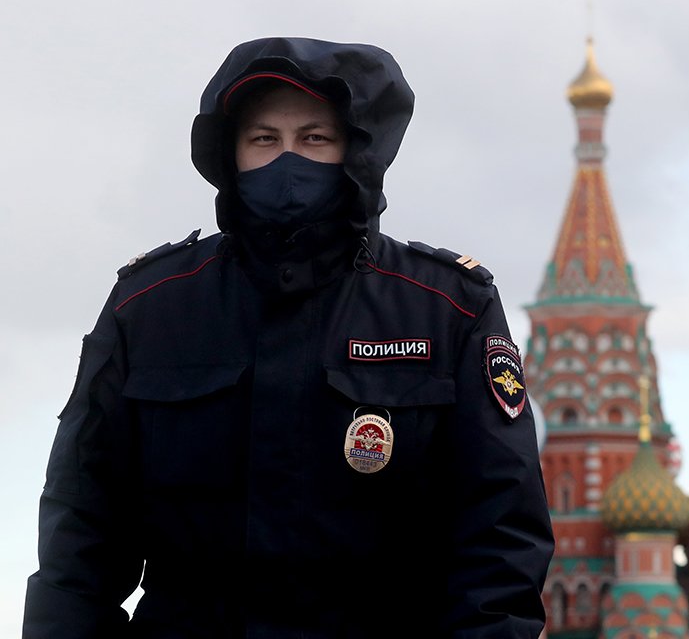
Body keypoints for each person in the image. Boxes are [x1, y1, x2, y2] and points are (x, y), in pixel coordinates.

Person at [24, 37, 554, 637]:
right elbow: (80, 533)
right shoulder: (150, 307)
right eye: (264, 139)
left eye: (314, 139)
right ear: (231, 153)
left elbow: (501, 536)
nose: (287, 162)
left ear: (359, 151)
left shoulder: (446, 309)